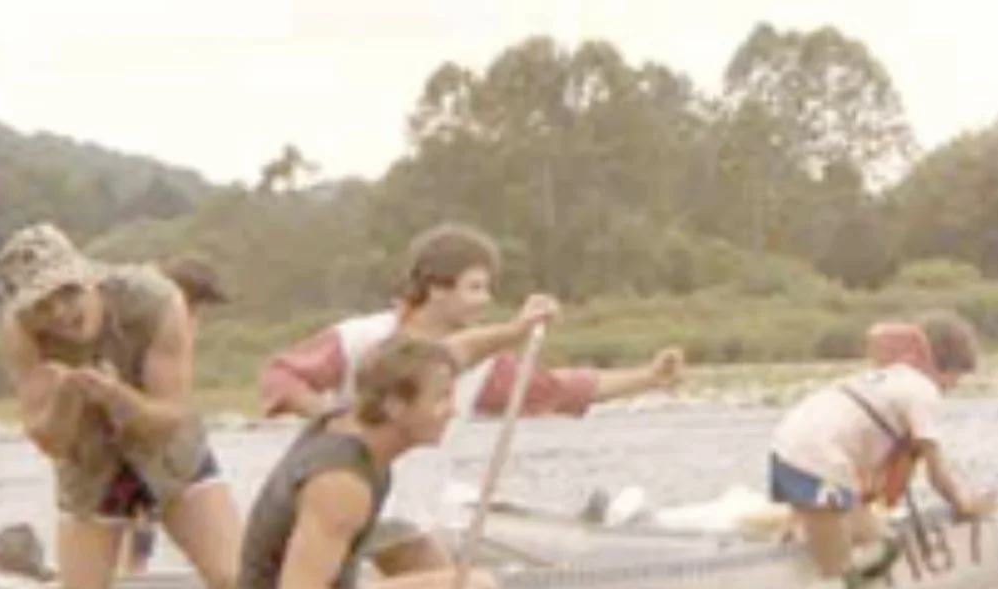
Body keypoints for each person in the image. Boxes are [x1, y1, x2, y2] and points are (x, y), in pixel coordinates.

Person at [256, 222, 684, 557]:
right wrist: (329, 418)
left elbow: (558, 389)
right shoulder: (358, 337)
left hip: (409, 519)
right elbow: (279, 376)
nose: (485, 299)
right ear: (436, 288)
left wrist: (647, 378)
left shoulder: (480, 365)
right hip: (342, 508)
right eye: (475, 287)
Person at [0, 222, 243, 589]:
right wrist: (64, 399)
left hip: (168, 453)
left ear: (85, 277)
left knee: (237, 585)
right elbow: (50, 441)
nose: (60, 313)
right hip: (90, 463)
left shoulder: (155, 301)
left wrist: (116, 396)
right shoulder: (21, 333)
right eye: (42, 305)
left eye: (67, 292)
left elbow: (168, 418)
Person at [237, 333, 500, 589]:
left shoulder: (355, 425)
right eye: (442, 398)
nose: (453, 410)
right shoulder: (342, 482)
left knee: (482, 585)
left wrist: (516, 330)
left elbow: (456, 350)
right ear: (395, 407)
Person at [768, 310, 998, 589]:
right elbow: (936, 470)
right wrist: (965, 503)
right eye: (957, 380)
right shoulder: (923, 391)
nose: (952, 389)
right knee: (840, 572)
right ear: (946, 368)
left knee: (884, 545)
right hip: (818, 460)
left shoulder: (888, 378)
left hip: (792, 447)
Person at [116, 255, 233, 577]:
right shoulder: (156, 316)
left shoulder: (173, 318)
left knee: (147, 508)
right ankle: (132, 569)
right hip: (141, 431)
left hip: (165, 431)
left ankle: (134, 567)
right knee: (138, 503)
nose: (197, 319)